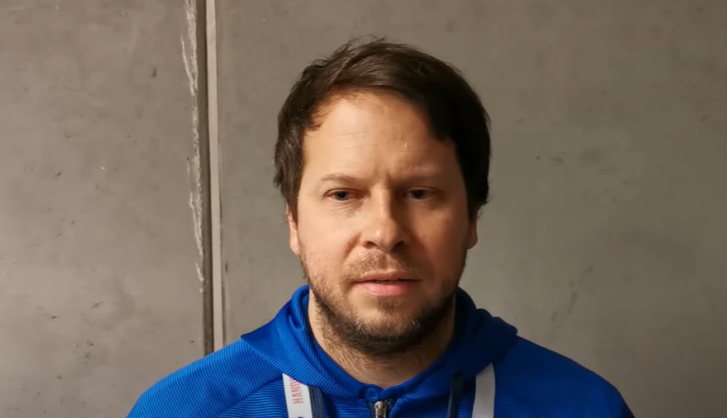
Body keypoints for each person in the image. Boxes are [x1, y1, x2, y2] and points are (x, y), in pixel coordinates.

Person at [126, 37, 635, 418]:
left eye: (420, 193)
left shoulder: (583, 408)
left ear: (471, 219)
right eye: (343, 195)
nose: (385, 232)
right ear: (294, 221)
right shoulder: (185, 410)